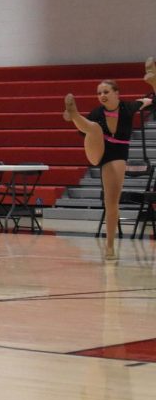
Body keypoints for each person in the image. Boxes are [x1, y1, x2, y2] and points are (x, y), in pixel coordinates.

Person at [63, 58, 156, 261]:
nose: (102, 95)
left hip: (116, 155)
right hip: (96, 149)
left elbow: (152, 101)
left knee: (111, 203)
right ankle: (74, 114)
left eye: (106, 91)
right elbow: (86, 132)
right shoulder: (97, 112)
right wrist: (79, 121)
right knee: (93, 127)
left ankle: (110, 247)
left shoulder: (129, 108)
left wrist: (152, 83)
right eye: (99, 93)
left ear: (116, 93)